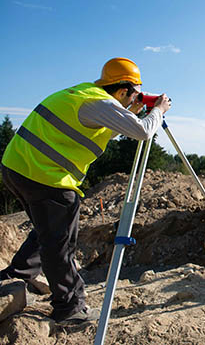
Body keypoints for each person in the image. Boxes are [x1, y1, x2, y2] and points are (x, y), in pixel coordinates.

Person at [0, 57, 171, 323]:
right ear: (123, 90)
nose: (135, 99)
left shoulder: (83, 95)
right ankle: (69, 308)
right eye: (134, 93)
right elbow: (142, 132)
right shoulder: (99, 103)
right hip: (46, 176)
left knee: (47, 230)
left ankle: (17, 277)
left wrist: (134, 110)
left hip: (17, 168)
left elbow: (108, 129)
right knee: (60, 243)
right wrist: (157, 109)